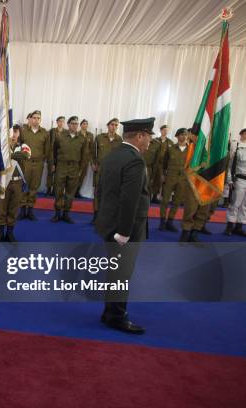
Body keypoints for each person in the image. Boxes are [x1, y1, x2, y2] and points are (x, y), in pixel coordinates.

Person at [96, 117, 154, 335]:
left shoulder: (113, 154)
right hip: (123, 229)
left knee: (115, 271)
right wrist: (124, 232)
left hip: (108, 223)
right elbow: (129, 199)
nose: (149, 141)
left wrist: (102, 219)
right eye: (148, 136)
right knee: (121, 273)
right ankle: (115, 315)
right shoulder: (135, 160)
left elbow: (101, 191)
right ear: (139, 136)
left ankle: (110, 311)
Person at [51, 116, 88, 223]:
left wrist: (80, 169)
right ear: (68, 124)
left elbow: (83, 155)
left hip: (74, 167)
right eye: (72, 123)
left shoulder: (82, 139)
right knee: (58, 190)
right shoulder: (60, 136)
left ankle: (66, 213)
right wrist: (54, 164)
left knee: (70, 191)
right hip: (61, 166)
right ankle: (57, 213)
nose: (74, 125)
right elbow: (54, 150)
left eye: (76, 124)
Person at [0, 125, 28, 243]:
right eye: (11, 131)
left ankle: (10, 233)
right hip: (4, 181)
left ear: (19, 133)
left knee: (13, 209)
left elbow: (25, 155)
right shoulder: (2, 147)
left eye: (16, 131)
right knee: (2, 208)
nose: (13, 134)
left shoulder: (23, 146)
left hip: (17, 182)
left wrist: (8, 155)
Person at [179, 129, 211, 242]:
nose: (192, 136)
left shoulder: (210, 148)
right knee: (190, 207)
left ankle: (195, 232)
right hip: (192, 180)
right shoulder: (189, 148)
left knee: (203, 208)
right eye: (193, 135)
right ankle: (186, 231)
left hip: (207, 181)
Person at [18, 110, 49, 220]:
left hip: (38, 164)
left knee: (34, 187)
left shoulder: (45, 133)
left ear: (40, 120)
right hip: (25, 163)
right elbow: (19, 146)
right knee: (24, 186)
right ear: (30, 119)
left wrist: (42, 160)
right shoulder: (24, 131)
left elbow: (47, 149)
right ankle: (22, 210)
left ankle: (30, 210)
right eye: (34, 117)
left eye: (38, 118)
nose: (36, 120)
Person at [91, 118, 122, 224]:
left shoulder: (120, 140)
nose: (114, 127)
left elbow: (121, 156)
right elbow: (92, 152)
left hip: (113, 171)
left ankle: (105, 217)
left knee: (109, 194)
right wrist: (92, 163)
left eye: (116, 125)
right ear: (108, 126)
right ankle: (96, 216)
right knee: (97, 193)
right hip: (100, 169)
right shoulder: (99, 138)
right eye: (112, 125)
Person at [158, 128, 189, 232]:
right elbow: (164, 163)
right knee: (165, 200)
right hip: (170, 177)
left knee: (176, 201)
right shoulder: (171, 149)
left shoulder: (191, 151)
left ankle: (170, 221)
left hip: (183, 179)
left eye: (186, 134)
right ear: (177, 136)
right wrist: (162, 175)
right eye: (181, 134)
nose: (184, 136)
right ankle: (162, 221)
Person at [224, 128, 246, 237]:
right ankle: (229, 226)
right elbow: (229, 166)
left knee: (244, 206)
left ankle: (239, 227)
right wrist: (229, 179)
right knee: (235, 204)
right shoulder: (236, 146)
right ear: (241, 134)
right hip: (239, 180)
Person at [47, 116, 67, 196]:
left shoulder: (66, 132)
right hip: (52, 155)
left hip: (61, 156)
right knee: (50, 173)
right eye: (60, 121)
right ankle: (49, 189)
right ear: (57, 122)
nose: (61, 123)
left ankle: (55, 190)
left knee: (59, 175)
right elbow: (48, 144)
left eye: (63, 121)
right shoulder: (52, 131)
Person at [76, 119, 94, 197]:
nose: (85, 125)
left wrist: (90, 160)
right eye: (83, 123)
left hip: (85, 160)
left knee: (82, 175)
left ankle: (77, 191)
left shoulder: (90, 135)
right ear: (80, 125)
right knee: (75, 175)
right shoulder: (76, 133)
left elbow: (91, 148)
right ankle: (71, 191)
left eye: (86, 124)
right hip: (77, 159)